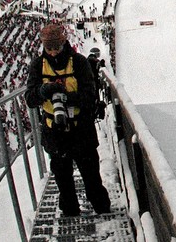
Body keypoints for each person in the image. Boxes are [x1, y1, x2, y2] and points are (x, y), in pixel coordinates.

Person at [25, 23, 111, 218]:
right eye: (49, 49)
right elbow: (30, 99)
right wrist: (42, 92)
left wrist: (65, 97)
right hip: (54, 131)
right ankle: (70, 212)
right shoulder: (38, 66)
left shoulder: (79, 62)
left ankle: (102, 209)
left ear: (64, 44)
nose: (54, 53)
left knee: (91, 178)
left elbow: (90, 96)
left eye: (57, 48)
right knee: (63, 181)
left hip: (81, 129)